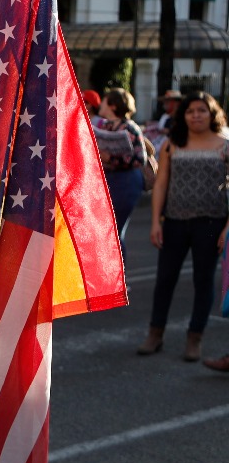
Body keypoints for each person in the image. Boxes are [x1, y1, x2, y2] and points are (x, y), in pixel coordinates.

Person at [138, 92, 229, 362]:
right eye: (191, 111)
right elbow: (161, 183)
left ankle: (194, 338)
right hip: (174, 221)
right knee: (165, 279)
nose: (196, 115)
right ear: (183, 116)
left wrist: (227, 229)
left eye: (202, 110)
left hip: (212, 223)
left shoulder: (225, 144)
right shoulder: (172, 144)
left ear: (212, 114)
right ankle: (155, 334)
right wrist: (156, 221)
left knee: (203, 281)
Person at [96, 88, 145, 260]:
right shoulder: (102, 125)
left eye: (104, 100)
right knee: (104, 229)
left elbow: (140, 159)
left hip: (125, 181)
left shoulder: (129, 127)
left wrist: (110, 158)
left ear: (113, 105)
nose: (100, 103)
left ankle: (120, 276)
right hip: (107, 180)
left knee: (115, 230)